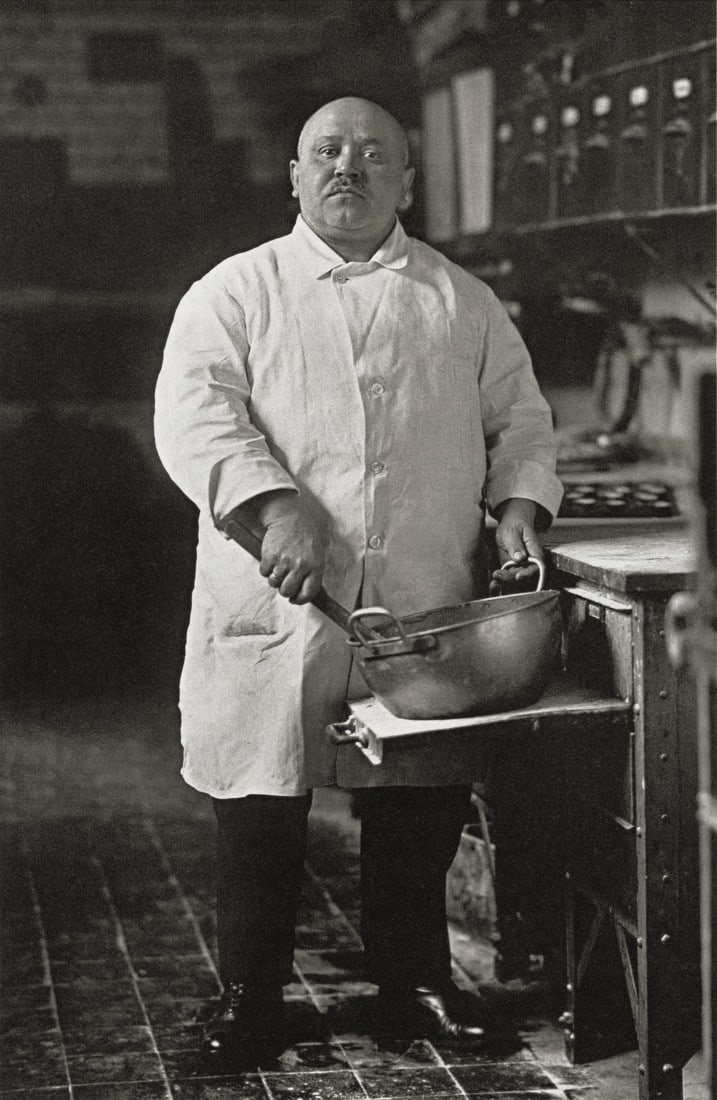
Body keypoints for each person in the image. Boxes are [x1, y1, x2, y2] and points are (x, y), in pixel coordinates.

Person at [154, 96, 563, 1062]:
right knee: (260, 803)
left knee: (415, 806)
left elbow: (523, 423)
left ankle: (414, 985)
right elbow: (195, 418)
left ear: (407, 181)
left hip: (421, 596)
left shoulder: (458, 298)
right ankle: (250, 996)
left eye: (374, 153)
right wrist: (273, 505)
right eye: (326, 152)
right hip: (279, 597)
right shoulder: (235, 292)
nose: (349, 166)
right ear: (295, 176)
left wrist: (517, 510)